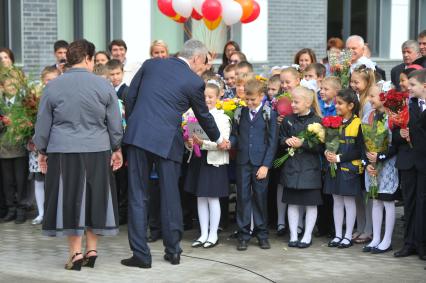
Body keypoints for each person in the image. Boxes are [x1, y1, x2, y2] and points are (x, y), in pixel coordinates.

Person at [121, 39, 227, 268]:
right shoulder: (193, 81)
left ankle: (141, 255)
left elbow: (130, 97)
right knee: (170, 195)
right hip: (168, 142)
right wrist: (219, 139)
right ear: (197, 58)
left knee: (138, 195)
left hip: (139, 137)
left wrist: (135, 123)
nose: (204, 68)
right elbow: (203, 115)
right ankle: (173, 251)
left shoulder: (150, 64)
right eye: (205, 63)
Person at [33, 39, 123, 271]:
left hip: (63, 150)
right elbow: (115, 123)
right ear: (88, 58)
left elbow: (43, 125)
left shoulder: (53, 86)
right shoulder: (104, 86)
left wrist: (41, 151)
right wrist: (117, 148)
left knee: (69, 199)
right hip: (97, 148)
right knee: (95, 197)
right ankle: (92, 250)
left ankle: (75, 254)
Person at [229, 79, 278, 251]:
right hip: (242, 162)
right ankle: (243, 235)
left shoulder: (269, 114)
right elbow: (235, 135)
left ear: (262, 96)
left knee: (260, 198)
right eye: (247, 100)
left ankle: (262, 234)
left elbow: (272, 143)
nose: (249, 103)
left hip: (260, 164)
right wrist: (230, 143)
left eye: (253, 100)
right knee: (242, 198)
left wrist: (266, 165)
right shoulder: (239, 113)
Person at [184, 81, 231, 249]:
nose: (207, 100)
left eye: (210, 97)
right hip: (198, 160)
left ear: (218, 98)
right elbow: (190, 143)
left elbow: (223, 143)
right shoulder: (193, 115)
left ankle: (213, 234)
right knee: (200, 197)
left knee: (212, 197)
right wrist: (190, 142)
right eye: (204, 97)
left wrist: (202, 143)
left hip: (213, 162)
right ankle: (203, 233)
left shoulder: (223, 118)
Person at [279, 86, 323, 248]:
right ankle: (293, 235)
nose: (293, 105)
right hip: (291, 167)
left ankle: (307, 235)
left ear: (308, 103)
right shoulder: (287, 119)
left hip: (309, 169)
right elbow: (280, 138)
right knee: (293, 203)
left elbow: (321, 147)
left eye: (296, 102)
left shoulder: (317, 121)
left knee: (310, 203)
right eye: (292, 102)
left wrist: (303, 144)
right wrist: (286, 142)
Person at [324, 88, 363, 249]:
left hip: (349, 170)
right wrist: (326, 151)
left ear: (351, 105)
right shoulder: (333, 121)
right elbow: (326, 142)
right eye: (336, 103)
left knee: (348, 201)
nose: (337, 106)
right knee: (337, 201)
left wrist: (339, 158)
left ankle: (348, 235)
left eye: (340, 103)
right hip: (334, 168)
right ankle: (338, 234)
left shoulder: (358, 123)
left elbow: (359, 150)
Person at [362, 85, 398, 254]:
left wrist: (380, 157)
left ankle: (387, 239)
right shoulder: (369, 116)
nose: (370, 99)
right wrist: (367, 162)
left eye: (373, 96)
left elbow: (395, 145)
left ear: (384, 97)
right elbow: (363, 142)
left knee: (387, 200)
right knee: (375, 200)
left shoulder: (392, 117)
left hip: (387, 165)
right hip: (372, 165)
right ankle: (376, 237)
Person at [29, 66, 60, 225]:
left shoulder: (61, 96)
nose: (51, 82)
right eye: (48, 80)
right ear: (43, 81)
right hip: (38, 145)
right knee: (39, 178)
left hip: (55, 145)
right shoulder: (35, 97)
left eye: (54, 79)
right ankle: (41, 213)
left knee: (54, 180)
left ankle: (53, 213)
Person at [0, 69, 29, 224]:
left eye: (14, 85)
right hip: (4, 149)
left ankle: (21, 209)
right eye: (8, 85)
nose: (11, 87)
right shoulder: (0, 103)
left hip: (20, 149)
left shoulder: (24, 102)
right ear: (2, 87)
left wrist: (23, 125)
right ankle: (10, 208)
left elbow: (29, 123)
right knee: (7, 181)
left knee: (21, 180)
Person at [106, 59, 129, 225]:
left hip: (123, 141)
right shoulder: (105, 91)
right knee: (112, 178)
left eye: (117, 74)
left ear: (123, 73)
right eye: (111, 74)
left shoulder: (127, 92)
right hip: (107, 142)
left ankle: (123, 211)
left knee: (124, 179)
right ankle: (114, 210)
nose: (115, 77)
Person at [407, 69, 426, 260]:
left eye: (412, 85)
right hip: (414, 162)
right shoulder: (409, 105)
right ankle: (415, 243)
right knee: (416, 203)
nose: (409, 88)